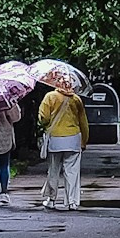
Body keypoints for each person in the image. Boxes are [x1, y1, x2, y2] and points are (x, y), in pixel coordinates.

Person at [38, 82, 85, 210]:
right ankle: (72, 202)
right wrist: (84, 141)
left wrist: (45, 123)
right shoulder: (76, 99)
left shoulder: (50, 97)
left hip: (56, 139)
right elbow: (83, 122)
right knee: (72, 172)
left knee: (53, 170)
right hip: (73, 139)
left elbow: (44, 118)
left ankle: (52, 200)